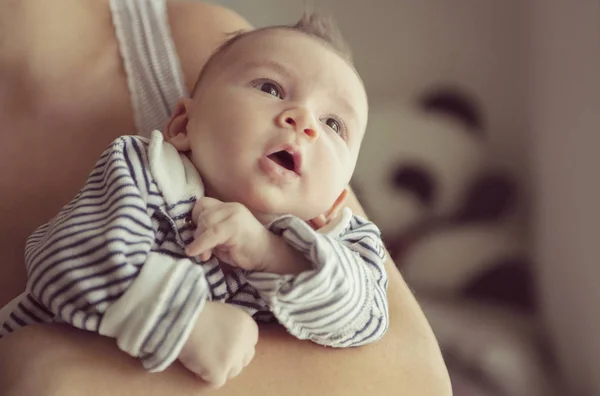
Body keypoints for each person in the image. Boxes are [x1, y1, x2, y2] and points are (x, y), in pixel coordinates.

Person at [0, 0, 451, 395]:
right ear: (181, 126)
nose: (304, 120)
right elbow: (70, 259)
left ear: (338, 197)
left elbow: (369, 322)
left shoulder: (334, 242)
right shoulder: (146, 174)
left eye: (334, 125)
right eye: (271, 89)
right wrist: (187, 323)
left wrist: (275, 255)